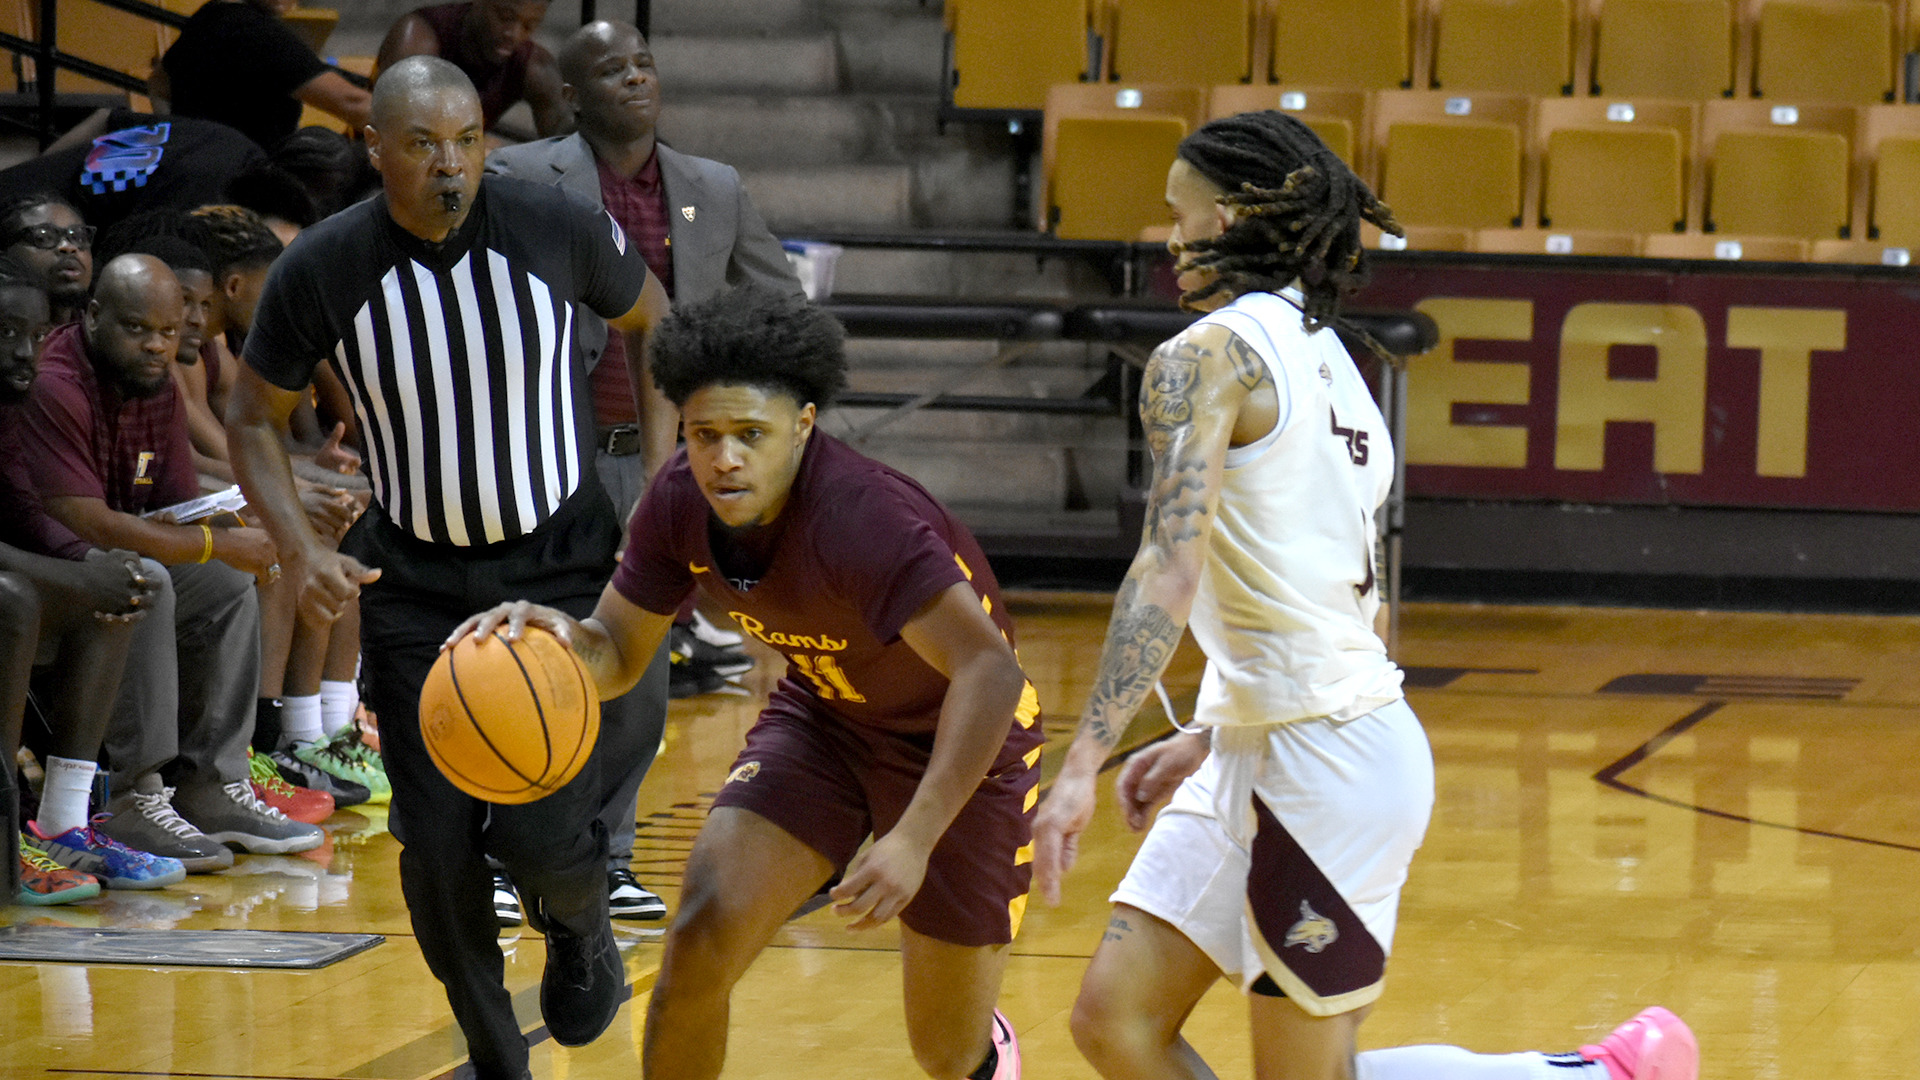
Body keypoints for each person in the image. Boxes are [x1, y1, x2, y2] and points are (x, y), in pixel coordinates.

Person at [1029, 111, 1699, 1080]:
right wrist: (1215, 728)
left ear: (1234, 215)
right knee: (1114, 1022)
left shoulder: (1205, 358)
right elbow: (1341, 599)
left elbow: (1166, 568)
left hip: (1323, 762)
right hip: (1264, 742)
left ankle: (1596, 1077)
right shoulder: (1336, 359)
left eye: (1181, 214)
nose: (1168, 240)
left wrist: (1084, 760)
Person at [452, 286, 1037, 1080]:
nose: (724, 458)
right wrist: (553, 647)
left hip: (959, 739)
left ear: (801, 426)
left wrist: (914, 836)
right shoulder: (676, 503)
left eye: (750, 436)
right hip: (824, 719)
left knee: (944, 1050)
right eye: (705, 435)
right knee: (699, 940)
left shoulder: (863, 517)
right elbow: (617, 653)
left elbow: (989, 670)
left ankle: (985, 1044)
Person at [225, 57, 669, 1080]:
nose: (450, 162)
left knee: (545, 832)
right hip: (413, 587)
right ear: (374, 150)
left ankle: (578, 923)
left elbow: (656, 325)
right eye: (422, 144)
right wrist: (302, 552)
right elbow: (252, 416)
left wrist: (653, 479)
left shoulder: (554, 225)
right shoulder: (324, 265)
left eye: (467, 138)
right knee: (434, 849)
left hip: (557, 569)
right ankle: (493, 1053)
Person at [486, 17, 803, 921]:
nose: (634, 81)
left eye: (644, 65)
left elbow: (779, 308)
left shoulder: (713, 188)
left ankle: (608, 857)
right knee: (535, 661)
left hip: (659, 462)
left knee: (640, 676)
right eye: (610, 70)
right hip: (541, 457)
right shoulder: (518, 177)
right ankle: (509, 859)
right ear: (573, 95)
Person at [19, 254, 321, 861]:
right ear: (95, 315)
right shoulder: (57, 384)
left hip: (107, 554)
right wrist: (216, 540)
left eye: (166, 331)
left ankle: (213, 783)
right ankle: (136, 798)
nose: (156, 346)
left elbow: (179, 506)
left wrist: (254, 522)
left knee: (226, 582)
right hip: (45, 563)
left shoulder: (154, 385)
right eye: (137, 329)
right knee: (149, 577)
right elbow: (85, 519)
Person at [0, 253, 172, 899]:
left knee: (120, 584)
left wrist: (89, 564)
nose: (25, 353)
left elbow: (21, 509)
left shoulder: (7, 405)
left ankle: (63, 821)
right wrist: (76, 574)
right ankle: (6, 827)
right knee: (13, 602)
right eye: (6, 336)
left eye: (36, 336)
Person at [155, 0, 373, 151]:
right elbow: (353, 103)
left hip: (205, 172)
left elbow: (157, 85)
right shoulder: (254, 31)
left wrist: (179, 139)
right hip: (249, 187)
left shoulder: (208, 16)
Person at [377, 0, 568, 140]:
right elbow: (400, 128)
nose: (514, 34)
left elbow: (567, 142)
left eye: (529, 25)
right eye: (505, 17)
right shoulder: (420, 37)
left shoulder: (534, 66)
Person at [1, 193, 92, 325]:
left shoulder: (103, 331)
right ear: (6, 252)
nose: (69, 247)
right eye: (43, 237)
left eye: (79, 237)